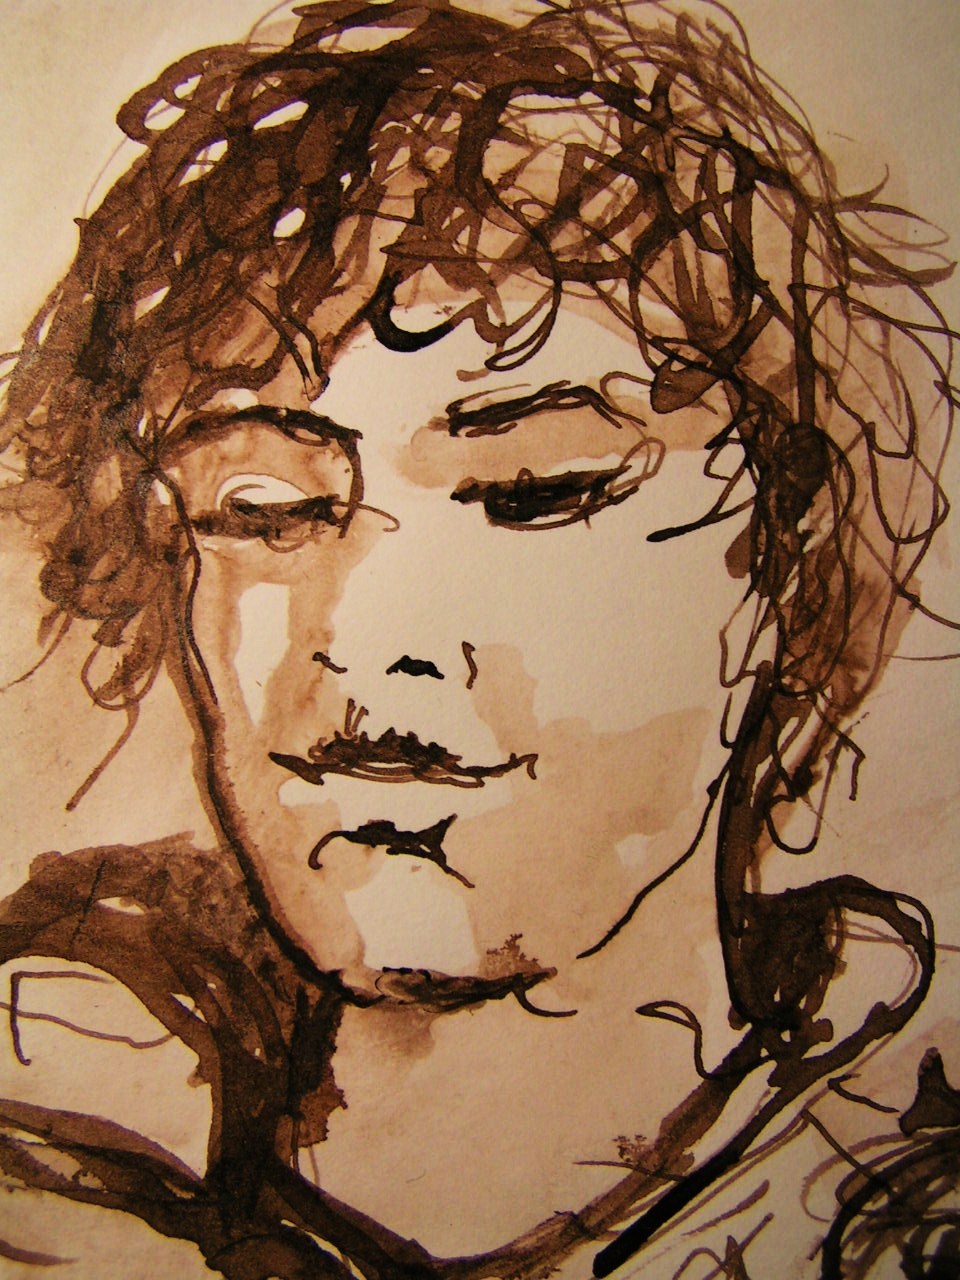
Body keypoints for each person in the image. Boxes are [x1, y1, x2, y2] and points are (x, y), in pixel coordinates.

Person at [0, 1, 956, 1276]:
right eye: (266, 510)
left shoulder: (899, 1204)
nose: (366, 638)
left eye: (538, 491)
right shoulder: (58, 1123)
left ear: (782, 564)